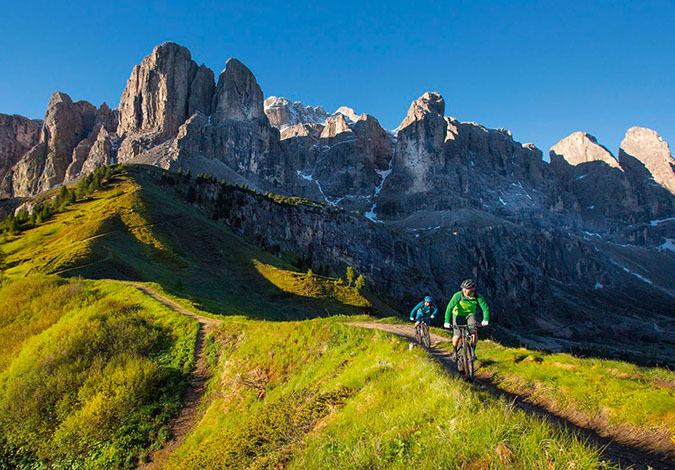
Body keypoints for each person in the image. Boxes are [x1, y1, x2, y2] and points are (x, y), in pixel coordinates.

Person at [443, 279, 490, 361]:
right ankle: (454, 351)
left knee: (474, 332)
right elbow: (449, 308)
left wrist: (485, 319)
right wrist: (447, 321)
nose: (464, 291)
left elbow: (485, 308)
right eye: (463, 289)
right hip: (458, 315)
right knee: (457, 335)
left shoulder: (477, 296)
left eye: (466, 290)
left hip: (470, 315)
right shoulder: (458, 295)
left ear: (472, 290)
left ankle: (472, 352)